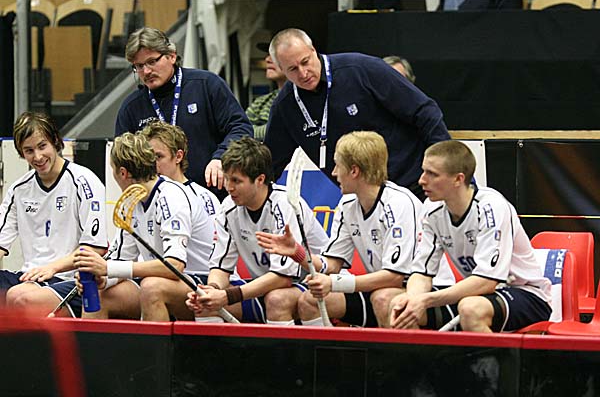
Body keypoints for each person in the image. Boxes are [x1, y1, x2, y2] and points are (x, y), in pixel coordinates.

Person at [256, 131, 454, 327]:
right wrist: (297, 253)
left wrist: (334, 283)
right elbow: (332, 265)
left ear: (354, 171)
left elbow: (395, 277)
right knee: (310, 301)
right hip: (379, 289)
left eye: (337, 165)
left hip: (430, 290)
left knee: (383, 299)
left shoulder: (399, 203)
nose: (334, 173)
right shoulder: (347, 204)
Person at [264, 28, 450, 200]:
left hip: (413, 185)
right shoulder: (285, 106)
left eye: (305, 62)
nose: (303, 73)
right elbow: (270, 164)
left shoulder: (361, 69)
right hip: (361, 199)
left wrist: (443, 166)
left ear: (313, 50)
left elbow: (424, 111)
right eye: (293, 69)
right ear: (281, 69)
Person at [389, 140, 552, 332]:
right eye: (423, 171)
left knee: (471, 309)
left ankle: (495, 354)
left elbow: (486, 282)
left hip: (527, 294)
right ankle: (421, 353)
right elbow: (422, 272)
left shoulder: (492, 208)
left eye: (432, 174)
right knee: (398, 305)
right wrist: (413, 299)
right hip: (477, 295)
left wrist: (426, 300)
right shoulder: (431, 209)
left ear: (458, 179)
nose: (422, 180)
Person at [185, 137, 328, 325]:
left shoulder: (285, 204)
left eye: (236, 181)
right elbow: (220, 267)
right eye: (227, 179)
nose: (229, 187)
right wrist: (211, 290)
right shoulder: (228, 207)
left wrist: (228, 296)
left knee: (276, 299)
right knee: (206, 305)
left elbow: (283, 278)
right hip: (266, 288)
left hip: (315, 284)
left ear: (260, 179)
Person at [74, 132, 215, 321]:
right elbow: (121, 260)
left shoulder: (171, 196)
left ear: (122, 173)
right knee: (100, 294)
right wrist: (103, 278)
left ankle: (155, 342)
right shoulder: (131, 202)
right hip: (165, 281)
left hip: (204, 283)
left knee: (151, 288)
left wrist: (108, 267)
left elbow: (174, 266)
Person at [115, 27, 253, 199]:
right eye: (139, 66)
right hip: (158, 202)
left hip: (212, 196)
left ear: (171, 56)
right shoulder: (131, 107)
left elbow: (241, 128)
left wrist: (221, 158)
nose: (146, 71)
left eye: (152, 61)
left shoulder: (206, 85)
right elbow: (122, 159)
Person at [1, 112, 108, 317]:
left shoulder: (84, 181)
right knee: (18, 291)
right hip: (29, 276)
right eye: (29, 151)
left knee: (18, 296)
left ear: (55, 142)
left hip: (69, 280)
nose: (38, 157)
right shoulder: (19, 189)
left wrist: (52, 268)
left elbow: (95, 247)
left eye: (42, 146)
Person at [246, 43, 287, 141]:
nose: (267, 59)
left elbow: (290, 129)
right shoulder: (261, 102)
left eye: (274, 55)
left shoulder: (308, 98)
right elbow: (241, 130)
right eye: (268, 54)